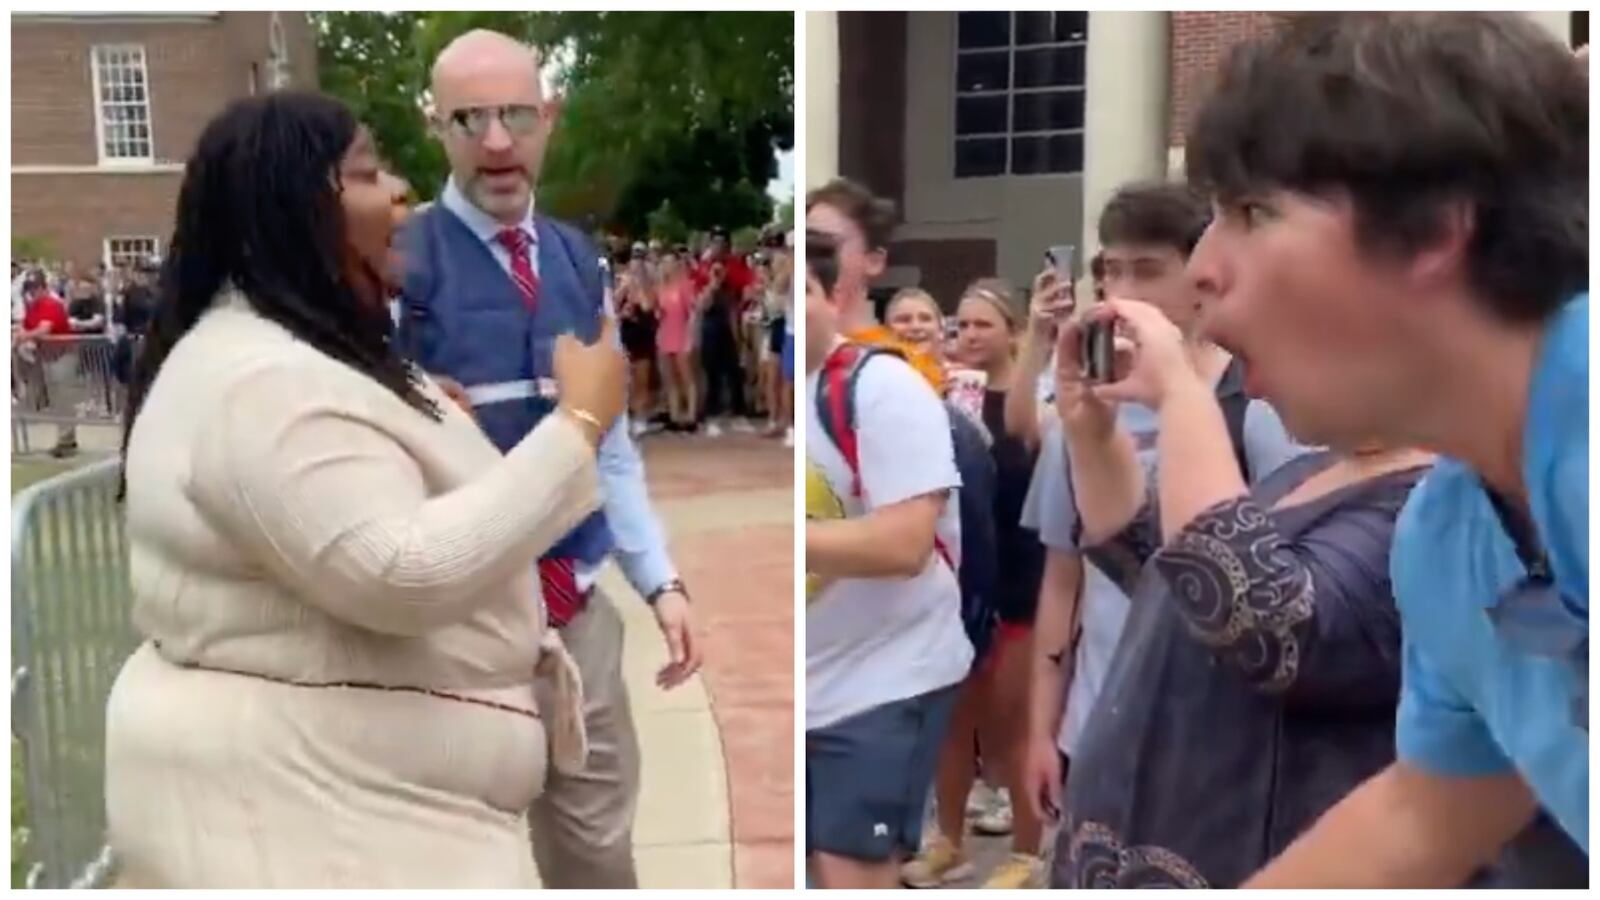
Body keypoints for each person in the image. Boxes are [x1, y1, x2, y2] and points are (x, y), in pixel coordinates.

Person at [104, 90, 627, 889]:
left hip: (357, 814)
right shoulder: (262, 385)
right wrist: (579, 425)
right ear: (298, 206)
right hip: (336, 833)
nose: (397, 194)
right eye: (366, 172)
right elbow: (397, 569)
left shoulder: (282, 351)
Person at [1182, 13, 1588, 884]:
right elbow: (1428, 810)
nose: (1199, 270)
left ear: (1438, 227)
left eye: (1251, 211)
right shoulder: (1444, 544)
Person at [394, 31, 702, 889]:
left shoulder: (575, 256)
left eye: (516, 115)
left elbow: (609, 447)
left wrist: (660, 580)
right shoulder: (396, 264)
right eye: (470, 118)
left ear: (549, 118)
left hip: (574, 612)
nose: (497, 141)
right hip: (450, 626)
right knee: (459, 861)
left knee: (597, 855)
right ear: (436, 127)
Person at [1046, 295, 1434, 887]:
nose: (1252, 385)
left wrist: (1182, 396)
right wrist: (1093, 436)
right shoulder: (1312, 472)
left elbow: (1264, 624)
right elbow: (1173, 572)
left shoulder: (1435, 506)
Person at [1017, 181, 1311, 872]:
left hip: (1224, 738)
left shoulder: (1260, 408)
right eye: (1108, 271)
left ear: (1199, 272)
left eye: (1145, 270)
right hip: (1105, 722)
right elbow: (1065, 581)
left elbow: (1285, 584)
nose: (1121, 291)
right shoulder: (1080, 419)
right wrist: (1042, 729)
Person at [805, 229, 972, 890]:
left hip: (884, 681)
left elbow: (905, 544)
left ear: (838, 294)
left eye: (805, 291)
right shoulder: (788, 391)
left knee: (851, 874)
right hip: (810, 682)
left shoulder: (884, 389)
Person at [903, 278, 1048, 889]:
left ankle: (1028, 849)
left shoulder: (1037, 399)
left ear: (1014, 331)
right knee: (955, 723)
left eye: (982, 325)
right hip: (963, 586)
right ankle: (951, 842)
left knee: (1010, 730)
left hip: (1024, 582)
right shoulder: (947, 398)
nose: (967, 335)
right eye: (960, 325)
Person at [806, 178, 944, 390]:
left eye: (826, 246)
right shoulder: (798, 355)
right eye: (805, 245)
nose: (810, 260)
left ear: (874, 261)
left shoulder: (906, 371)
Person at [653, 249, 699, 431]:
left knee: (686, 376)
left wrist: (691, 335)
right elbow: (657, 312)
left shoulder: (685, 285)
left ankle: (691, 415)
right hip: (665, 333)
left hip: (682, 333)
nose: (667, 266)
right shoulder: (660, 287)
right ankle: (675, 414)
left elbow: (693, 312)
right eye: (664, 263)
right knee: (670, 378)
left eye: (670, 262)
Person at [615, 252, 660, 437]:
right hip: (625, 337)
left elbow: (648, 307)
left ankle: (641, 418)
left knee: (642, 379)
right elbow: (613, 308)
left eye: (639, 269)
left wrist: (638, 289)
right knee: (626, 380)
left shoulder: (649, 288)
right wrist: (623, 290)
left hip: (643, 336)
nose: (634, 273)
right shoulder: (621, 286)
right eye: (632, 269)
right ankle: (626, 418)